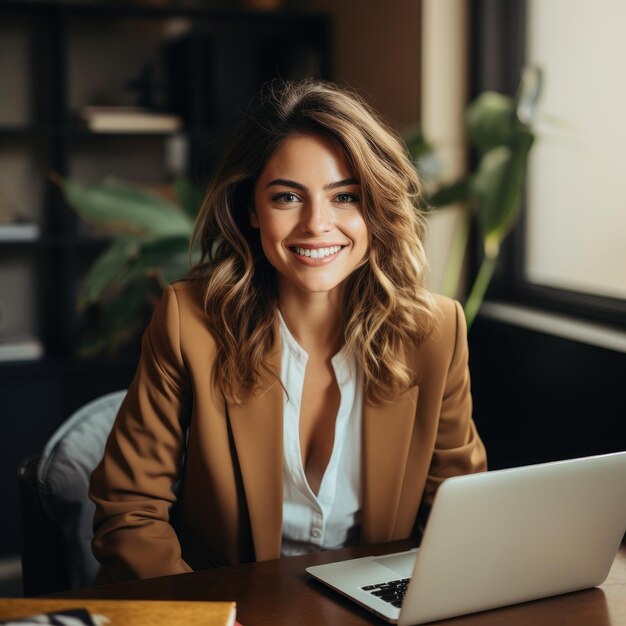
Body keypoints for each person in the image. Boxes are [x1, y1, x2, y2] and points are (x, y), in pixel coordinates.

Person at [89, 79, 487, 583]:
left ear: (376, 208)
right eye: (287, 197)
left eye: (345, 196)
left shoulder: (435, 331)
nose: (317, 224)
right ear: (252, 210)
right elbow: (129, 512)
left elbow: (460, 512)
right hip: (226, 611)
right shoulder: (189, 321)